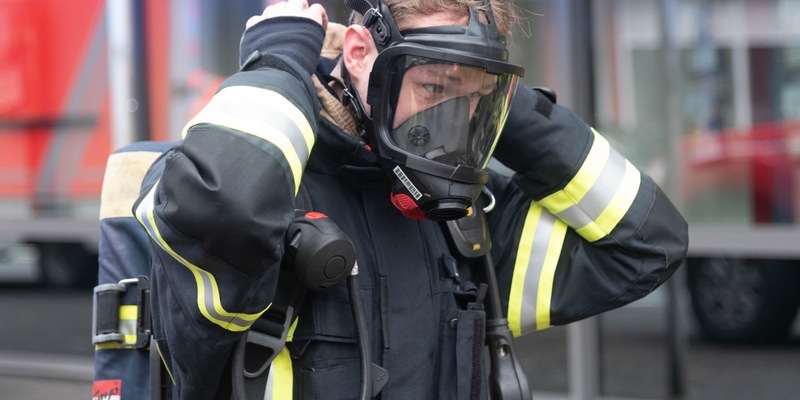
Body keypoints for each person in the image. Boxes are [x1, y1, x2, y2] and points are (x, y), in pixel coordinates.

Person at [100, 0, 688, 398]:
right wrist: (278, 60)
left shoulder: (462, 224)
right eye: (433, 88)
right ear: (358, 54)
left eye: (472, 102)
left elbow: (646, 244)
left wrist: (499, 103)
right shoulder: (262, 196)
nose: (449, 125)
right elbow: (224, 202)